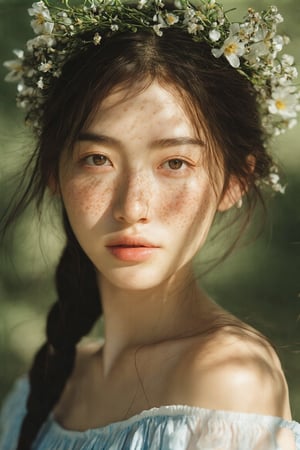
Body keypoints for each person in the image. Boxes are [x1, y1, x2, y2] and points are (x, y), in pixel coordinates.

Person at [1, 0, 300, 449]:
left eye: (175, 162)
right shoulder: (43, 385)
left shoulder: (229, 378)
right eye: (97, 159)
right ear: (54, 173)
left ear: (234, 182)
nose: (132, 206)